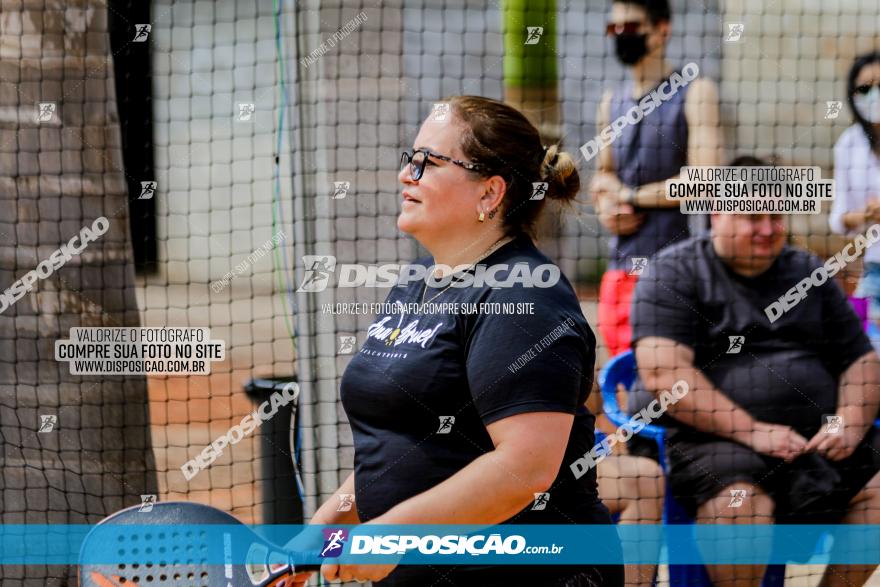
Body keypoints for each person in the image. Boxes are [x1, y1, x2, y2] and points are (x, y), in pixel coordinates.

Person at [293, 95, 624, 586]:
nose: (408, 174)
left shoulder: (526, 298)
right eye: (410, 159)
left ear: (490, 194)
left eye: (429, 162)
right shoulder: (418, 280)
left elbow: (525, 468)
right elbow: (402, 446)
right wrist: (322, 530)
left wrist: (393, 536)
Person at [631, 156, 880, 586]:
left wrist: (850, 423)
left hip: (818, 440)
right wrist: (752, 430)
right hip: (716, 439)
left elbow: (862, 359)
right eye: (752, 217)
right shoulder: (672, 272)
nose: (767, 228)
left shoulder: (806, 270)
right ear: (716, 213)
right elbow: (663, 374)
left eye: (776, 216)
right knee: (739, 506)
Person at [589, 0, 723, 357]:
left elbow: (706, 181)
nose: (621, 36)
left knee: (675, 382)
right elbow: (603, 177)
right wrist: (606, 207)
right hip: (621, 269)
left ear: (662, 30)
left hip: (681, 266)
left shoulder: (696, 92)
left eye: (631, 27)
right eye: (613, 29)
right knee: (622, 381)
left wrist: (630, 196)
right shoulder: (610, 102)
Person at [829, 52, 880, 321]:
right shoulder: (848, 144)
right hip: (875, 269)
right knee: (863, 349)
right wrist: (867, 215)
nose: (874, 95)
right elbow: (838, 220)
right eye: (865, 89)